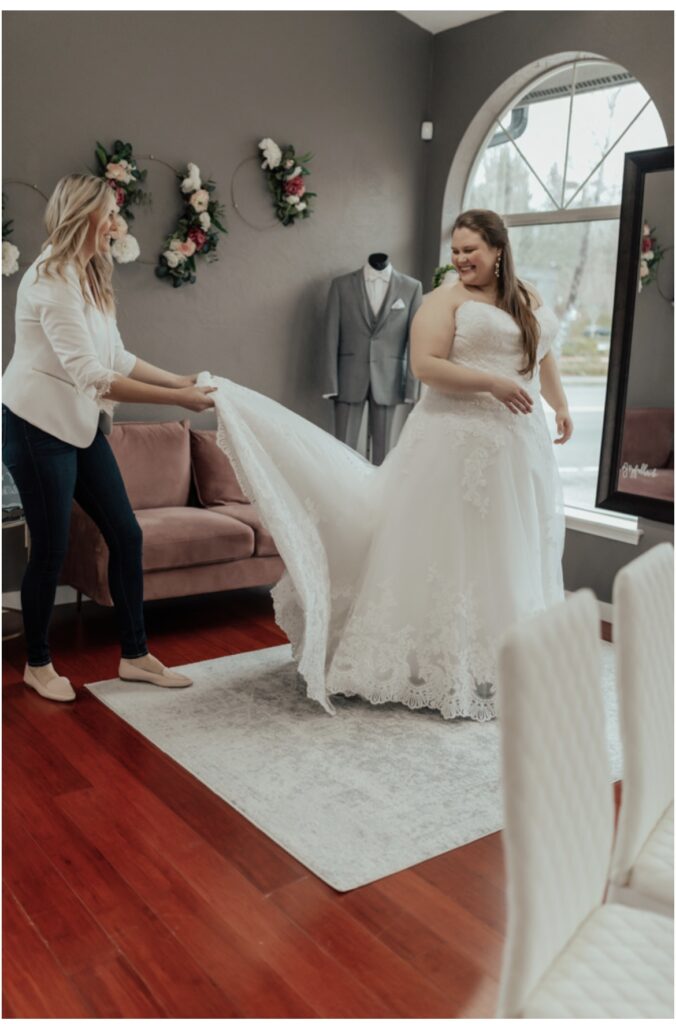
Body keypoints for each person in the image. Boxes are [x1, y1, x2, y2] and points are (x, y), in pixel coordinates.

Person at [201, 208, 573, 721]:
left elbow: (543, 351)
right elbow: (426, 368)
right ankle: (430, 660)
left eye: (471, 250)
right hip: (454, 443)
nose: (461, 259)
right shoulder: (444, 300)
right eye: (456, 250)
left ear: (498, 251)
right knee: (449, 548)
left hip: (517, 445)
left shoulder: (526, 296)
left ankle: (501, 657)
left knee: (509, 545)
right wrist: (491, 382)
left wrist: (562, 404)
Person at [2, 173, 217, 702]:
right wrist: (177, 401)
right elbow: (93, 375)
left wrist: (181, 380)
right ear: (85, 216)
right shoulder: (49, 279)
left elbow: (116, 357)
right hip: (35, 426)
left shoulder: (90, 273)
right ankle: (38, 664)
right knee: (51, 549)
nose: (118, 224)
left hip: (77, 423)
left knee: (126, 533)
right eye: (111, 213)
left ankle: (136, 656)